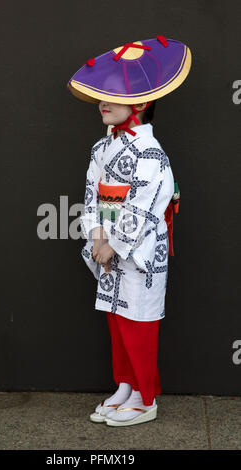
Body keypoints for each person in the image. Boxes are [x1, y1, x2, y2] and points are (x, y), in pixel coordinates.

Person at [67, 37, 191, 427]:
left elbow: (144, 205)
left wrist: (115, 244)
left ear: (140, 103)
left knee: (138, 320)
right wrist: (96, 237)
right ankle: (124, 386)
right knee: (115, 318)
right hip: (107, 244)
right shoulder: (100, 150)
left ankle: (146, 397)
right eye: (101, 95)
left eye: (113, 95)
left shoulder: (151, 155)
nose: (103, 102)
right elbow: (91, 195)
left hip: (138, 250)